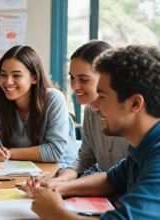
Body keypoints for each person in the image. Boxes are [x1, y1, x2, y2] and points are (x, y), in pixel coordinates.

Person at [26, 45, 160, 219]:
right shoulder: (143, 146)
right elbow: (111, 180)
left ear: (135, 104)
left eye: (103, 97)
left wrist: (55, 213)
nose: (96, 107)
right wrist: (58, 187)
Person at [0, 45, 77, 168]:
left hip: (58, 171)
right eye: (3, 74)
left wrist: (10, 153)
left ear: (35, 78)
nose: (7, 82)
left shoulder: (54, 98)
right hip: (16, 168)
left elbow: (55, 151)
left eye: (16, 75)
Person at [55, 41, 130, 181]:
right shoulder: (90, 110)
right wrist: (60, 180)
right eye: (72, 77)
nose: (75, 86)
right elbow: (84, 159)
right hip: (109, 193)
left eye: (83, 79)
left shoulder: (133, 116)